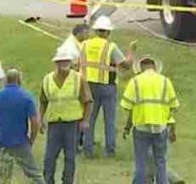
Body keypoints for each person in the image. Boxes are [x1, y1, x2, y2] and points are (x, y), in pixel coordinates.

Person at [80, 15, 134, 158]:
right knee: (109, 120)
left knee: (89, 118)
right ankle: (110, 151)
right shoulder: (111, 47)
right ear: (108, 32)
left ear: (96, 31)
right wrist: (130, 51)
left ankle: (87, 149)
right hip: (107, 87)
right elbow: (126, 65)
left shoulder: (85, 44)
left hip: (88, 86)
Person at [121, 57, 179, 184]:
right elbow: (173, 106)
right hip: (160, 127)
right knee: (160, 162)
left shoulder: (135, 81)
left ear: (140, 67)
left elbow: (128, 107)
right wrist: (172, 128)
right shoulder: (165, 81)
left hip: (141, 126)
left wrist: (127, 127)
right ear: (155, 67)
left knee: (141, 162)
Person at [39, 50, 91, 184]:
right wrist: (40, 119)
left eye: (67, 61)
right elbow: (43, 101)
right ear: (56, 63)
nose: (65, 64)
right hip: (54, 123)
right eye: (62, 61)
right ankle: (48, 180)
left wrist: (85, 120)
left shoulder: (78, 78)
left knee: (70, 157)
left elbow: (87, 101)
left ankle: (67, 181)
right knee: (49, 157)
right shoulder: (47, 79)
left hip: (72, 123)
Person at [0, 69, 44, 183]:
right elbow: (35, 122)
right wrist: (31, 140)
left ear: (5, 80)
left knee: (4, 178)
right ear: (19, 80)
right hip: (20, 141)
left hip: (0, 141)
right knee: (34, 174)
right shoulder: (26, 97)